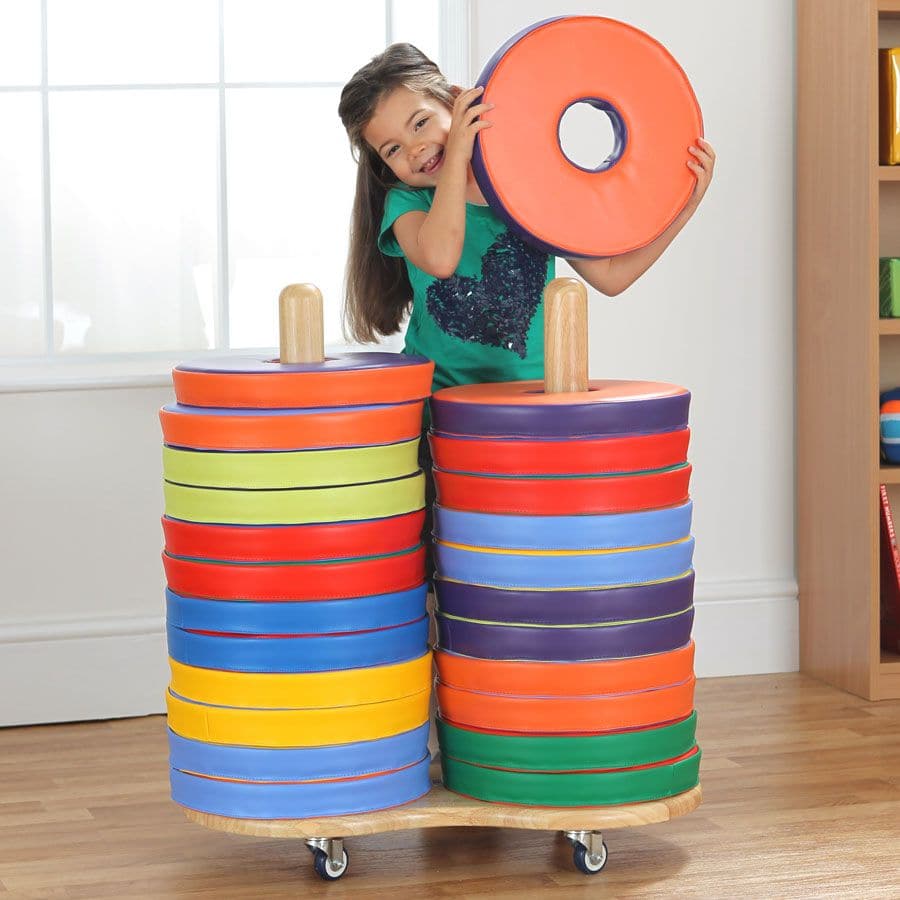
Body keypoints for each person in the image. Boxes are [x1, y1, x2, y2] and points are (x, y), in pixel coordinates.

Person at [337, 42, 715, 582]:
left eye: (422, 123)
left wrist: (684, 207)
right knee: (442, 565)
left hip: (531, 416)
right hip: (438, 420)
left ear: (455, 101)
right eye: (393, 149)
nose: (416, 149)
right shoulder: (407, 205)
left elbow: (611, 276)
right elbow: (441, 257)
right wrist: (458, 161)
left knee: (519, 565)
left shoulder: (527, 187)